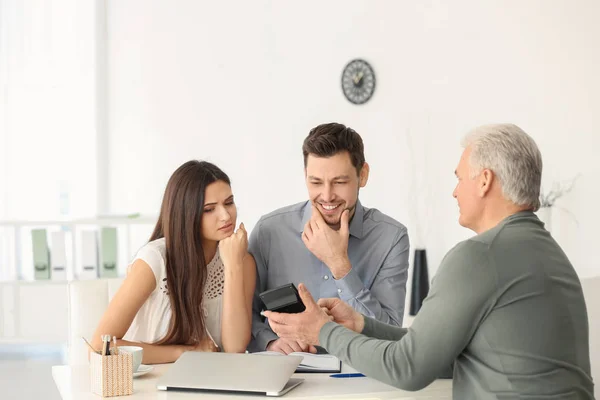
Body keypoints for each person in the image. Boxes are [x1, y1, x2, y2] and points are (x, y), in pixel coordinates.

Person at [264, 124, 594, 399]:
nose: (454, 192)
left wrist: (325, 332)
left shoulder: (479, 256)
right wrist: (363, 326)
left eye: (459, 177)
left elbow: (408, 368)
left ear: (484, 181)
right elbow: (439, 354)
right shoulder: (550, 253)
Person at [249, 122, 410, 354]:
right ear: (305, 176)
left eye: (340, 182)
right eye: (316, 182)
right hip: (286, 373)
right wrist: (270, 342)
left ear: (362, 175)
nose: (326, 196)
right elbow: (247, 315)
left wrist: (339, 264)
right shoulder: (269, 231)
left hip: (358, 378)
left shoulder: (392, 238)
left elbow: (390, 336)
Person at [91, 160, 256, 364]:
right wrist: (183, 353)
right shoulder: (154, 260)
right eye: (209, 209)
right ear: (187, 214)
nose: (225, 216)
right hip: (148, 385)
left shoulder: (241, 261)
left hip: (208, 384)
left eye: (229, 203)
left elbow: (235, 348)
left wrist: (233, 267)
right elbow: (100, 347)